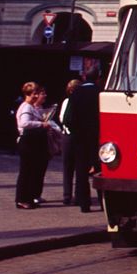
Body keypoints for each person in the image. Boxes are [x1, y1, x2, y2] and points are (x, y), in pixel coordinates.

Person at [62, 65, 101, 212]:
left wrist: (76, 131)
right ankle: (103, 202)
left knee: (81, 169)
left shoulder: (76, 92)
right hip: (97, 136)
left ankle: (84, 203)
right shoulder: (100, 92)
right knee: (99, 169)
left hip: (80, 137)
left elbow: (67, 118)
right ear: (98, 78)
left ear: (84, 77)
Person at [15, 82, 54, 209]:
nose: (37, 96)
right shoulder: (26, 107)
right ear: (28, 94)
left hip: (32, 142)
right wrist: (41, 124)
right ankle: (22, 199)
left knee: (31, 171)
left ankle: (28, 197)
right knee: (26, 171)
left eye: (37, 93)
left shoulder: (30, 106)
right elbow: (24, 123)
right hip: (27, 142)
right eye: (34, 93)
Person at [59, 78, 82, 206]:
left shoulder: (66, 101)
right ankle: (78, 195)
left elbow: (62, 118)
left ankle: (67, 195)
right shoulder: (84, 103)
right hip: (79, 137)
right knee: (79, 167)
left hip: (67, 136)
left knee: (67, 167)